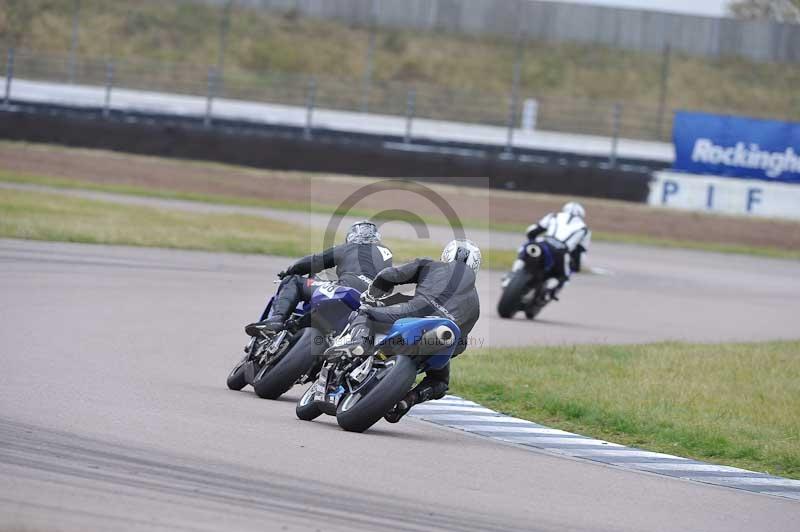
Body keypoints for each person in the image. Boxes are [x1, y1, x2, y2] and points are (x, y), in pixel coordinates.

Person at [330, 239, 482, 423]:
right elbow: (460, 345)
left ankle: (360, 343)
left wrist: (372, 296)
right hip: (440, 339)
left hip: (414, 313)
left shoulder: (432, 265)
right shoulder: (475, 304)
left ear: (447, 255)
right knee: (440, 383)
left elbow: (390, 275)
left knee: (366, 313)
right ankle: (407, 400)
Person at [245, 220, 393, 336]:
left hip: (345, 290)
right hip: (369, 305)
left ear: (352, 236)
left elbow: (313, 262)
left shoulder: (349, 247)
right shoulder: (387, 254)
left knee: (294, 281)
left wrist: (289, 271)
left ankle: (276, 320)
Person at [518, 201, 591, 300]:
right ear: (582, 215)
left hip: (542, 246)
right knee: (564, 277)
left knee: (524, 252)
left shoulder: (554, 216)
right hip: (561, 253)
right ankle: (549, 293)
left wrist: (532, 240)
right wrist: (576, 267)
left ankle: (511, 276)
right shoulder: (584, 229)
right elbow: (580, 253)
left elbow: (532, 231)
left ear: (565, 209)